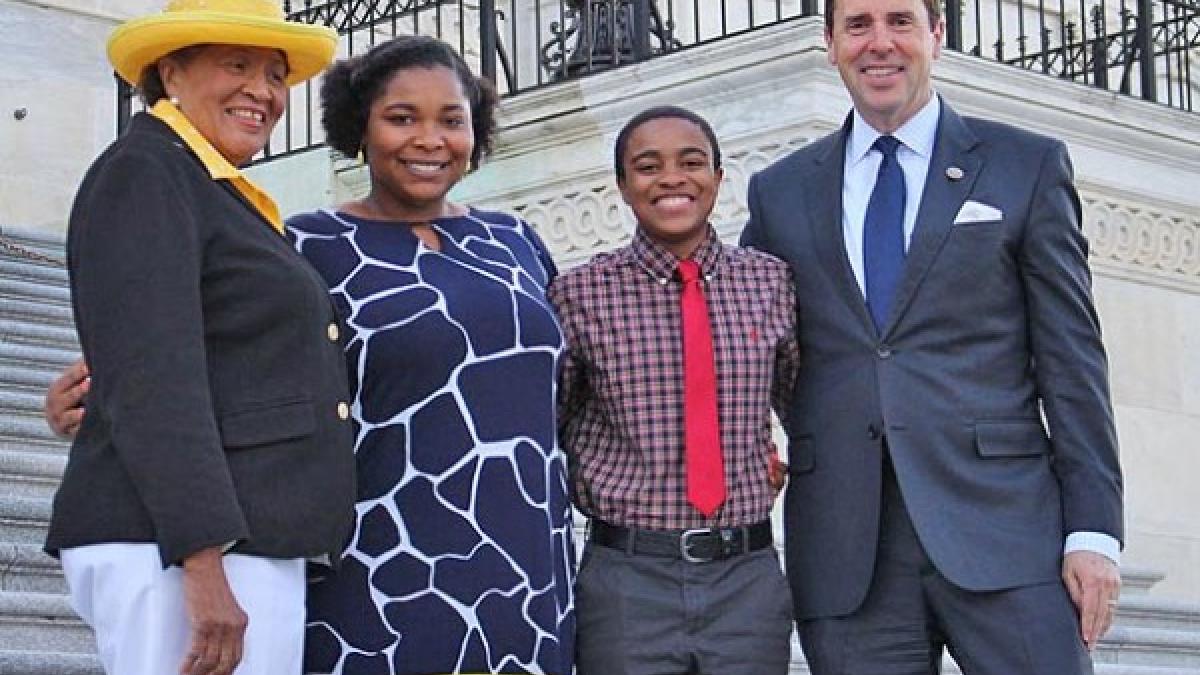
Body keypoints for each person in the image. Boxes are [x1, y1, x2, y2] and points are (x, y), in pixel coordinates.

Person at [738, 0, 1124, 672]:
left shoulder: (1024, 166)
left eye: (900, 21)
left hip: (1007, 532)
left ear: (937, 36)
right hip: (847, 550)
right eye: (858, 25)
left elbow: (1073, 362)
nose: (879, 43)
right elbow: (749, 343)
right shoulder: (780, 192)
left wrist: (1094, 530)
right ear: (829, 42)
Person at [42, 1, 355, 674]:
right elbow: (155, 376)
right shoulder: (146, 171)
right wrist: (203, 557)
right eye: (236, 65)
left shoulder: (203, 181)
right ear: (171, 72)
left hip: (234, 539)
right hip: (184, 545)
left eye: (275, 75)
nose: (262, 91)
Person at [288, 36, 574, 674]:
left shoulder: (514, 239)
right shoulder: (307, 245)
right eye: (401, 118)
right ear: (359, 126)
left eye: (451, 120)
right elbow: (233, 369)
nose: (429, 139)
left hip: (527, 569)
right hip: (375, 571)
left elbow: (574, 382)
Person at [548, 106, 799, 675]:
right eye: (647, 166)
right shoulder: (579, 294)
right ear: (622, 185)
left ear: (718, 177)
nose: (671, 178)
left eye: (691, 162)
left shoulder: (770, 282)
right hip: (628, 581)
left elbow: (804, 406)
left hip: (746, 579)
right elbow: (548, 427)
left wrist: (770, 456)